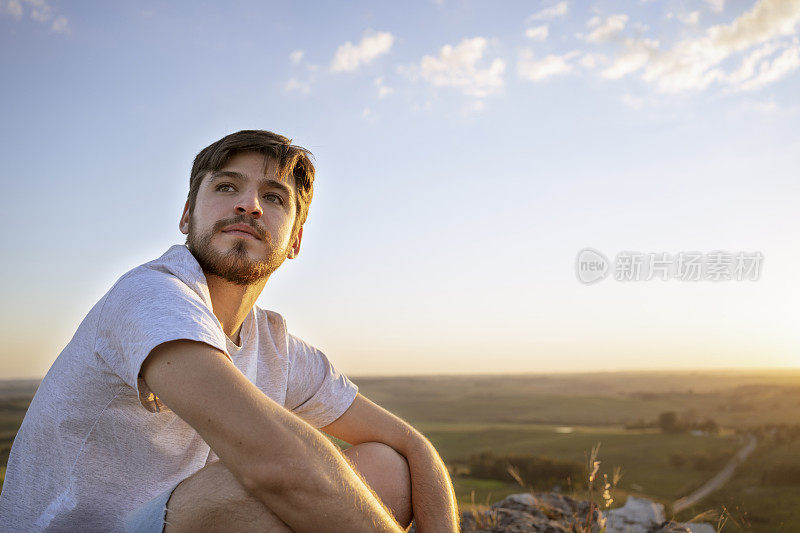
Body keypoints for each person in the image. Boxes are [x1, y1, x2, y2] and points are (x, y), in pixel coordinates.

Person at [0, 130, 460, 532]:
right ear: (186, 217)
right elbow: (275, 466)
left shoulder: (276, 346)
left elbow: (412, 445)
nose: (249, 204)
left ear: (294, 240)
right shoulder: (151, 295)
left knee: (388, 468)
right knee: (244, 490)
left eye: (275, 197)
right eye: (226, 187)